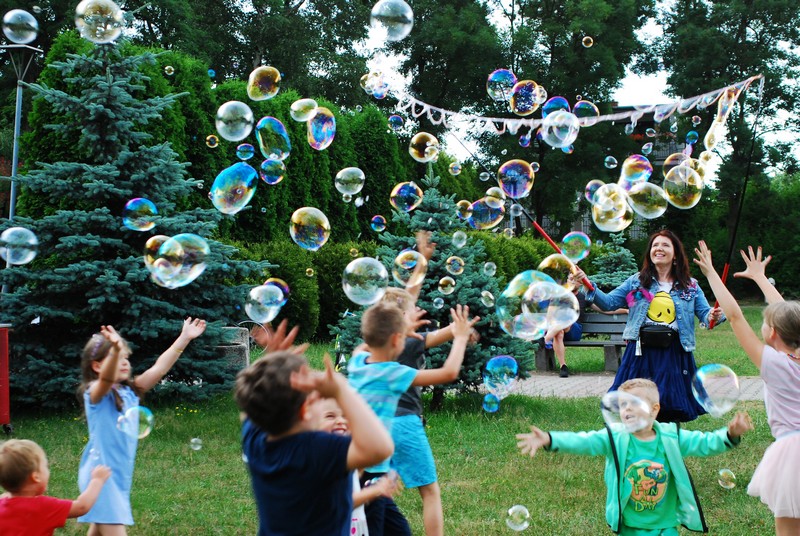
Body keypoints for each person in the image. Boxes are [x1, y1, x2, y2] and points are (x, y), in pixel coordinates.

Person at [516, 378, 753, 534]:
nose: (626, 409)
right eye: (622, 405)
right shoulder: (615, 438)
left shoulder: (672, 437)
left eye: (633, 403)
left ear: (655, 409)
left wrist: (729, 433)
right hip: (629, 525)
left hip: (665, 526)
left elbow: (705, 443)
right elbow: (584, 441)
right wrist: (550, 439)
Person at [235, 319, 394, 536]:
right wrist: (341, 390)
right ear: (304, 410)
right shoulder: (320, 449)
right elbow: (380, 448)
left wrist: (272, 364)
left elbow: (253, 403)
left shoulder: (255, 442)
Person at [694, 243, 800, 535]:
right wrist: (761, 278)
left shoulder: (776, 365)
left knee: (789, 527)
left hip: (794, 452)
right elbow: (791, 319)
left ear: (773, 333)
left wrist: (712, 274)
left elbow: (736, 316)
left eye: (766, 323)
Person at [348, 301, 478, 536]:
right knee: (372, 528)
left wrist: (399, 330)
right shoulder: (392, 373)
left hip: (359, 461)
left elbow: (362, 347)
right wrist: (459, 337)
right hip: (373, 469)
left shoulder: (356, 363)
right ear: (398, 340)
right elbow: (448, 373)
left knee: (399, 530)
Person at [77, 317, 207, 535]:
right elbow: (106, 380)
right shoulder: (95, 394)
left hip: (115, 475)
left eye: (126, 357)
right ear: (98, 366)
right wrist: (117, 348)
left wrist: (184, 338)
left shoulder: (130, 391)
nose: (125, 361)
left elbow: (159, 368)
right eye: (117, 358)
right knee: (112, 524)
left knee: (98, 529)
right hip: (100, 477)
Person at [580, 230, 724, 422]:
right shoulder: (637, 282)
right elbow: (609, 303)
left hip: (674, 352)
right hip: (641, 352)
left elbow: (707, 316)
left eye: (665, 245)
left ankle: (666, 444)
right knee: (635, 402)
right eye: (655, 245)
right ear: (650, 253)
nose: (659, 248)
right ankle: (638, 443)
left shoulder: (690, 286)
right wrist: (587, 285)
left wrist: (714, 315)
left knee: (670, 405)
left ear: (675, 255)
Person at [312, 397, 402, 536]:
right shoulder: (320, 461)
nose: (340, 421)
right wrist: (375, 490)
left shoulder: (345, 454)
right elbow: (338, 504)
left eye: (345, 416)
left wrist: (384, 479)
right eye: (330, 416)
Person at [0, 439, 111, 535]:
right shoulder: (43, 507)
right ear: (36, 477)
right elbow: (81, 507)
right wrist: (97, 480)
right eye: (45, 466)